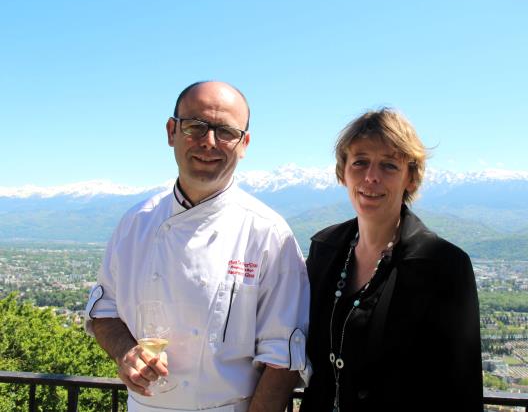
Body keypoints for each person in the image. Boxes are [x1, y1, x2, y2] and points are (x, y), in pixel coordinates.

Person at [85, 81, 310, 412]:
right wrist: (125, 352)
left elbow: (282, 359)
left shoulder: (269, 234)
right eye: (195, 126)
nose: (209, 142)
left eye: (225, 132)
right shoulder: (135, 223)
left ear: (244, 143)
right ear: (171, 132)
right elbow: (105, 312)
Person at [301, 108, 483, 411]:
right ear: (342, 172)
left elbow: (461, 387)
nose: (371, 177)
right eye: (360, 162)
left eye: (388, 165)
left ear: (410, 179)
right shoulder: (325, 250)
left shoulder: (443, 266)